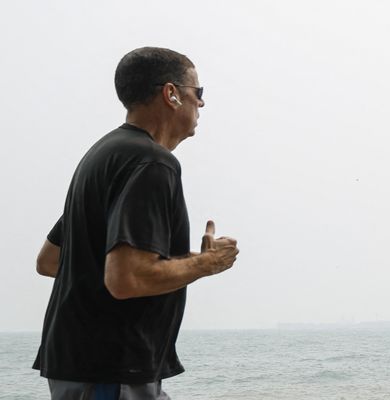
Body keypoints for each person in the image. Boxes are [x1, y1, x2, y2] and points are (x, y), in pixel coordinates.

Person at [32, 47, 239, 399]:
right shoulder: (152, 163)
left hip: (87, 369)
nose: (201, 104)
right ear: (171, 94)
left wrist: (187, 261)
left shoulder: (102, 156)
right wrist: (206, 264)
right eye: (198, 93)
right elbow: (125, 279)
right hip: (112, 371)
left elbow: (52, 260)